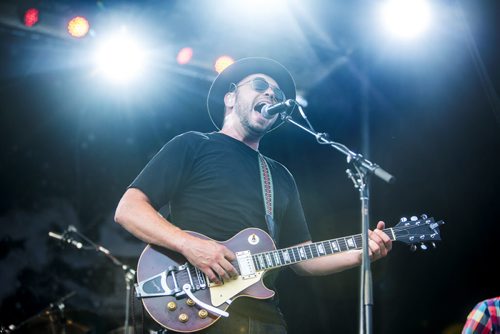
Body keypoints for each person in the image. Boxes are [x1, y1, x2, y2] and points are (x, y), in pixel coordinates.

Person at [114, 57, 392, 333]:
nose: (271, 93)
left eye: (277, 93)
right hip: (197, 307)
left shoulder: (279, 176)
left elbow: (302, 258)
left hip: (264, 318)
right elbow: (129, 209)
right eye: (260, 85)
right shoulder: (193, 145)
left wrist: (360, 255)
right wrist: (190, 246)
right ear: (231, 97)